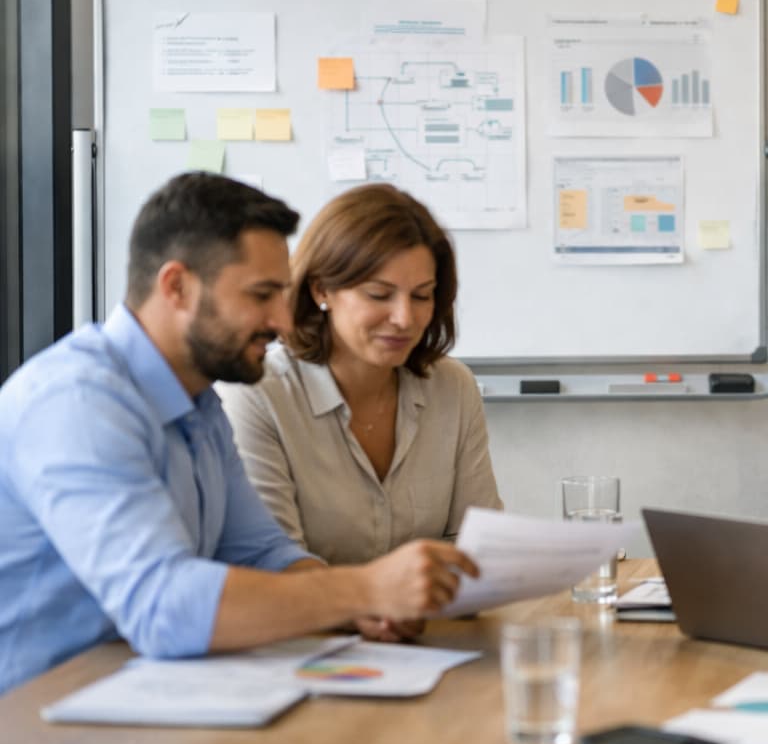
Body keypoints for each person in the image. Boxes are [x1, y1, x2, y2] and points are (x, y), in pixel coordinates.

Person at [0, 173, 479, 695]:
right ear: (177, 287)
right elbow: (162, 605)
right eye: (262, 295)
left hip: (138, 701)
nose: (281, 320)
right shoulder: (78, 401)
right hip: (35, 728)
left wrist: (363, 608)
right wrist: (363, 589)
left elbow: (263, 555)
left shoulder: (198, 403)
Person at [221, 184, 501, 565]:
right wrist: (381, 597)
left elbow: (478, 545)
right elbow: (274, 567)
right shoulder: (258, 394)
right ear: (322, 290)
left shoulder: (453, 386)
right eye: (379, 294)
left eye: (421, 296)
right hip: (310, 625)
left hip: (437, 624)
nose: (404, 318)